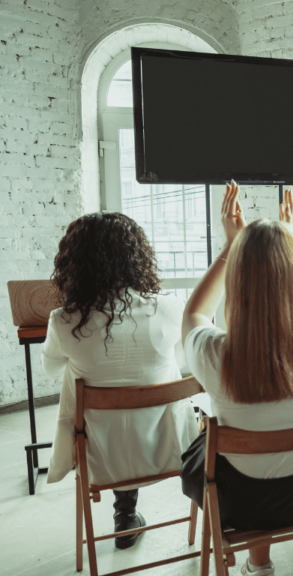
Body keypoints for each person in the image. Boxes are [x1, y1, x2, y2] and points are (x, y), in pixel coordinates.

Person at [181, 184, 293, 576]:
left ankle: (259, 566)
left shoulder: (213, 353)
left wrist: (230, 248)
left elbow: (193, 315)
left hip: (237, 501)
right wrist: (291, 244)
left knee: (204, 449)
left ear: (236, 284)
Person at [42, 212, 199, 550]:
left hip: (100, 454)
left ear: (75, 262)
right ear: (136, 258)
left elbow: (51, 370)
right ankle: (126, 514)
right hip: (168, 446)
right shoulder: (170, 309)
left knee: (77, 375)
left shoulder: (64, 320)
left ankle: (124, 513)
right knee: (158, 373)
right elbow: (185, 363)